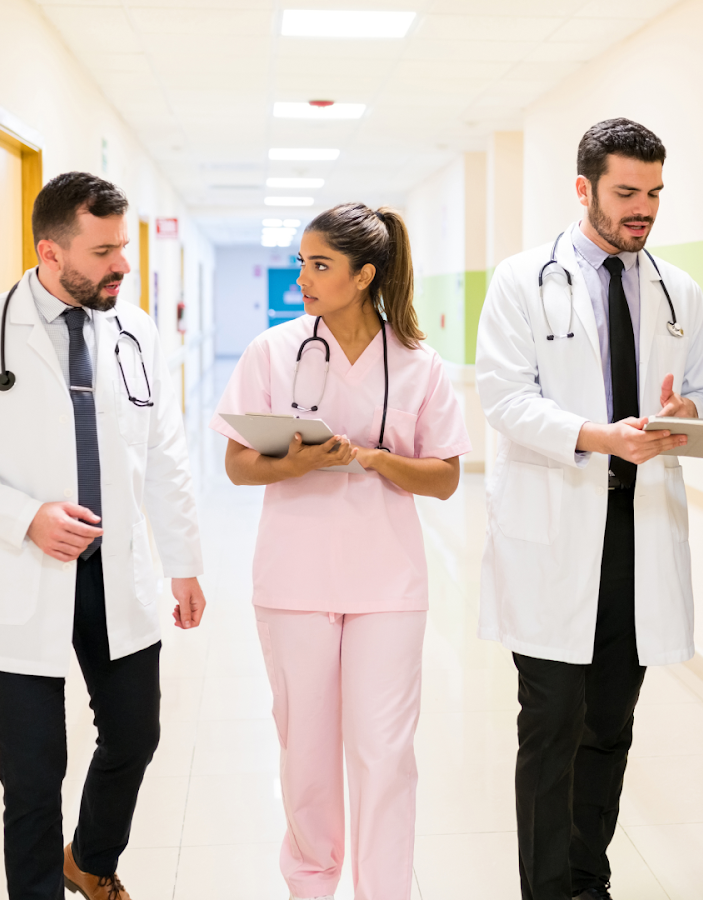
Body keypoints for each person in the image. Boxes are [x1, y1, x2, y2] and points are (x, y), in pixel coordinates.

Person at [0, 172, 206, 900]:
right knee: (33, 774)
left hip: (117, 572)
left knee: (135, 736)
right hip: (26, 571)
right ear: (50, 251)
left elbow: (162, 454)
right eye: (105, 250)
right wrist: (25, 517)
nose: (123, 265)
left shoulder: (134, 331)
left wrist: (184, 562)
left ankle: (92, 859)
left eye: (124, 247)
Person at [473, 118, 703, 900]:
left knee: (609, 726)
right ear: (584, 190)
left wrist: (684, 415)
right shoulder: (522, 279)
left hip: (637, 538)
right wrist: (595, 436)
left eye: (653, 193)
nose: (643, 209)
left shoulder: (680, 291)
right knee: (550, 728)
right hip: (554, 532)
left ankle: (587, 881)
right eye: (626, 193)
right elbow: (505, 398)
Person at [211, 202, 471, 900]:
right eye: (302, 262)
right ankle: (310, 886)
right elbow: (237, 464)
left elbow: (445, 476)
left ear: (363, 275)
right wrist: (296, 465)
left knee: (385, 756)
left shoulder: (418, 364)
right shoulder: (275, 351)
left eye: (319, 265)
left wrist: (376, 459)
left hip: (388, 585)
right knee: (308, 757)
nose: (303, 278)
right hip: (294, 581)